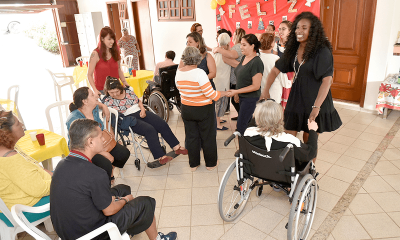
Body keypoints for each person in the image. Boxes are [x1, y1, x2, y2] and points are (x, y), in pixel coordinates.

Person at [50, 119, 177, 240]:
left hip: (69, 231)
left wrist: (118, 199)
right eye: (100, 136)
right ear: (90, 142)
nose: (103, 139)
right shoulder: (95, 173)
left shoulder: (61, 165)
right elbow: (109, 210)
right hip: (94, 234)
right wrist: (125, 200)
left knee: (123, 189)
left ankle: (129, 228)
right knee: (146, 203)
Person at [260, 12, 342, 163]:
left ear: (313, 31)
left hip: (315, 98)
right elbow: (275, 70)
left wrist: (316, 107)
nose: (299, 30)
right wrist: (265, 90)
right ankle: (287, 170)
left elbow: (327, 81)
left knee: (308, 138)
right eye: (297, 27)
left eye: (304, 27)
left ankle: (308, 171)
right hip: (297, 97)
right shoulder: (293, 50)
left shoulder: (322, 51)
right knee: (287, 135)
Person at [102, 77, 187, 166]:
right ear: (107, 91)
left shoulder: (128, 91)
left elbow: (138, 101)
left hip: (140, 112)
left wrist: (142, 109)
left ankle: (176, 147)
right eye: (111, 92)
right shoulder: (107, 100)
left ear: (120, 87)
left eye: (116, 91)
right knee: (149, 129)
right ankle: (161, 157)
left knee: (161, 123)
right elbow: (106, 113)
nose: (115, 94)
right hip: (128, 119)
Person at [175, 46, 228, 171]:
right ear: (198, 59)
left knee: (191, 137)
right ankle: (211, 164)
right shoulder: (200, 73)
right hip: (203, 109)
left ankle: (193, 164)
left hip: (187, 109)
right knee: (208, 136)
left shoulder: (179, 72)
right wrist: (224, 93)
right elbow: (212, 95)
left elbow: (180, 89)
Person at [66, 87, 130, 182]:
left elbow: (99, 107)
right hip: (84, 149)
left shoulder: (94, 108)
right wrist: (103, 152)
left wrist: (104, 106)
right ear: (85, 101)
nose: (97, 95)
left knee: (124, 153)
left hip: (98, 142)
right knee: (105, 163)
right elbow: (82, 145)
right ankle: (104, 184)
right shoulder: (74, 119)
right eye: (92, 95)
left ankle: (109, 171)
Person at [0, 111, 52, 218]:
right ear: (7, 132)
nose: (22, 125)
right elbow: (39, 190)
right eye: (18, 124)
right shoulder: (11, 159)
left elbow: (35, 168)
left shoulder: (6, 151)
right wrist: (60, 179)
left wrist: (53, 174)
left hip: (14, 204)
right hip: (27, 209)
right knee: (76, 187)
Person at [244, 100, 318, 163]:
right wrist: (312, 131)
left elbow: (253, 121)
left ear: (257, 120)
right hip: (282, 176)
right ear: (280, 120)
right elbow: (310, 154)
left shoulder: (248, 133)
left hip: (257, 169)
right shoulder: (290, 142)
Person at [227, 34, 264, 135]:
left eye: (244, 45)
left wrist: (237, 91)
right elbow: (240, 77)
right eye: (241, 44)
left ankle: (244, 149)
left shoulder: (256, 62)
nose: (240, 47)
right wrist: (237, 93)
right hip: (242, 97)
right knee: (243, 126)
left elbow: (256, 86)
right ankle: (244, 149)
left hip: (250, 99)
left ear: (252, 46)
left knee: (242, 127)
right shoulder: (244, 57)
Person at [213, 28, 246, 120]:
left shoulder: (238, 46)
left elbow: (232, 56)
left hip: (237, 78)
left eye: (234, 34)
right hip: (235, 77)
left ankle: (243, 118)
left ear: (238, 35)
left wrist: (219, 49)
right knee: (235, 100)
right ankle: (241, 117)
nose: (233, 36)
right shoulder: (236, 46)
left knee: (236, 100)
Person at [88, 27, 130, 97]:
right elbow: (89, 74)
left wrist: (124, 82)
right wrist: (95, 90)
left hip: (116, 90)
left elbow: (119, 69)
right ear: (102, 39)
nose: (112, 41)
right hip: (102, 91)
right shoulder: (95, 54)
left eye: (113, 39)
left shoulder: (116, 52)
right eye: (109, 39)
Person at [259, 33, 291, 103]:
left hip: (259, 94)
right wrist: (290, 82)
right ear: (272, 44)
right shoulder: (276, 59)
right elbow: (284, 81)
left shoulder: (256, 57)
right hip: (273, 94)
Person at [213, 33, 231, 131]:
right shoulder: (226, 54)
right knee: (220, 103)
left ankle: (218, 119)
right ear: (228, 42)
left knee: (218, 102)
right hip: (223, 81)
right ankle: (217, 123)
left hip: (216, 80)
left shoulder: (215, 51)